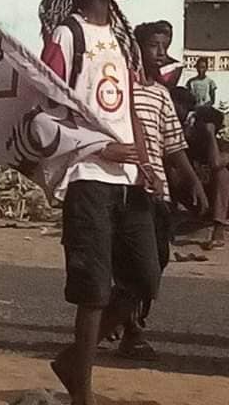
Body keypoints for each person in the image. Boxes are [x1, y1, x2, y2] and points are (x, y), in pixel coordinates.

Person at [39, 0, 162, 405]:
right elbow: (46, 113)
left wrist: (144, 161)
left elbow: (128, 106)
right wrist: (103, 147)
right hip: (87, 175)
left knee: (145, 276)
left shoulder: (122, 36)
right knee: (92, 289)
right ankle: (82, 392)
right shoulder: (67, 37)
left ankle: (73, 359)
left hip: (129, 181)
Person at [115, 22, 207, 360]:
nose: (160, 52)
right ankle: (130, 331)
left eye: (164, 45)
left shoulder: (160, 93)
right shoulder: (119, 88)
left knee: (158, 261)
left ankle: (129, 319)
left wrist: (194, 182)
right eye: (154, 45)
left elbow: (173, 145)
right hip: (125, 188)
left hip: (159, 193)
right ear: (137, 47)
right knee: (135, 266)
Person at [172, 86, 229, 249]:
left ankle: (218, 228)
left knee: (222, 174)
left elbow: (216, 163)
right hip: (202, 196)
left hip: (223, 199)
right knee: (173, 167)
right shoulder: (189, 139)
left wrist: (210, 134)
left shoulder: (223, 144)